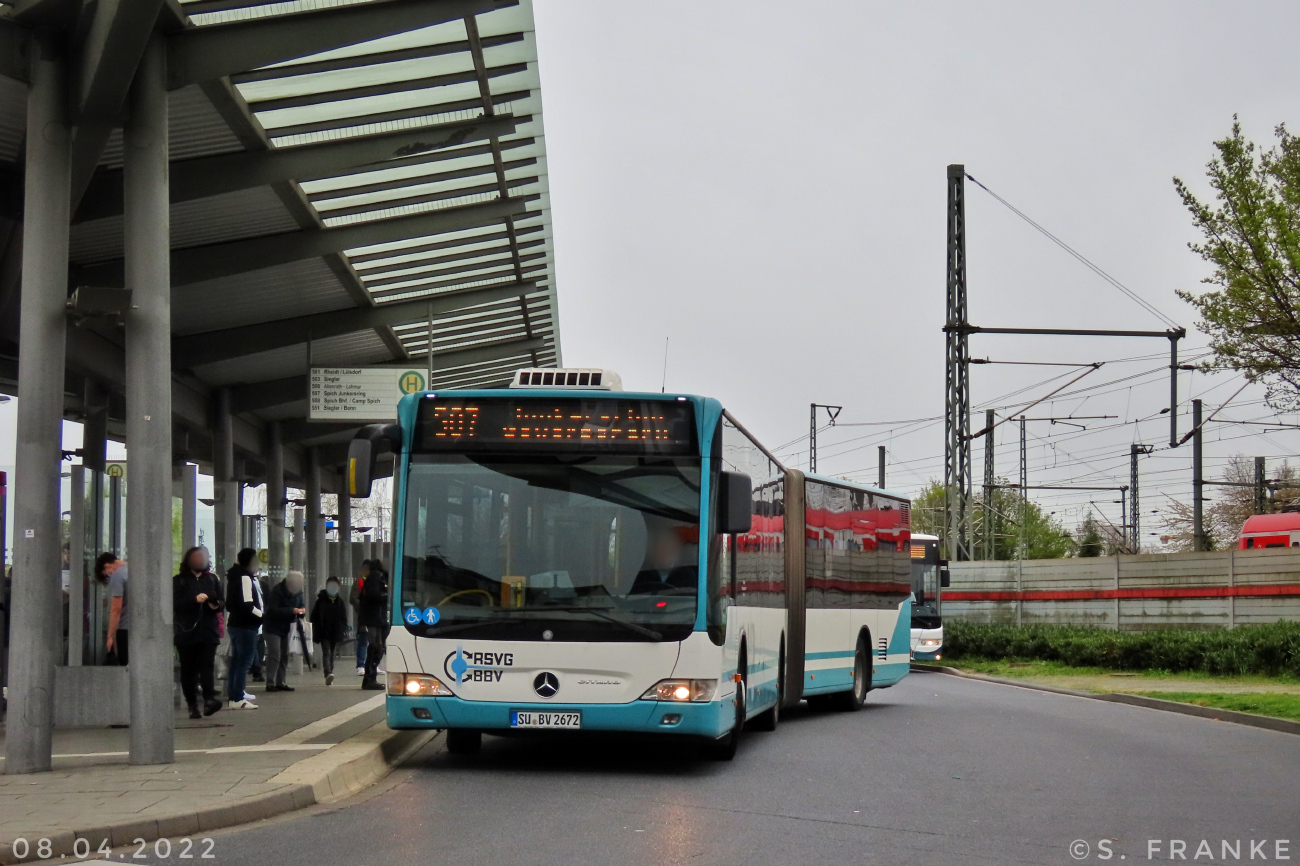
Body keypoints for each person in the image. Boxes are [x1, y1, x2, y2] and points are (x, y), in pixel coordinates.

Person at [173, 546, 225, 719]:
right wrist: (193, 600)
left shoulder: (211, 579)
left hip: (208, 631)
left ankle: (209, 698)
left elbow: (222, 601)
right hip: (187, 632)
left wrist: (215, 604)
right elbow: (175, 604)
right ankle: (192, 704)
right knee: (189, 670)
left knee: (207, 665)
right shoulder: (179, 581)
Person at [224, 548, 263, 710]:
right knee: (244, 662)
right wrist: (261, 615)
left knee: (236, 661)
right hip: (246, 625)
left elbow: (229, 604)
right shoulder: (245, 578)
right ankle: (238, 697)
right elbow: (248, 605)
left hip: (234, 624)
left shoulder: (233, 577)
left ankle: (234, 696)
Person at [264, 570, 305, 692]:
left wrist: (301, 611)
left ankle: (281, 681)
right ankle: (270, 682)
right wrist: (291, 610)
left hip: (287, 628)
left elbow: (301, 605)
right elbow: (272, 610)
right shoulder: (277, 591)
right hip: (272, 627)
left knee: (285, 655)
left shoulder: (298, 593)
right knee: (275, 654)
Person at [629, 522, 698, 594]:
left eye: (667, 547)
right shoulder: (644, 575)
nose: (663, 552)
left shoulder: (687, 575)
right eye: (660, 547)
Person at [358, 560, 390, 690]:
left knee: (376, 647)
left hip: (375, 618)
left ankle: (370, 677)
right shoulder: (377, 577)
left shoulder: (374, 577)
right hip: (376, 618)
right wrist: (388, 596)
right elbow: (374, 595)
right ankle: (370, 678)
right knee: (376, 647)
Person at [311, 577, 348, 686]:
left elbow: (343, 617)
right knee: (327, 652)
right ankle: (328, 673)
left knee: (332, 653)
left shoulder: (340, 601)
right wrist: (318, 628)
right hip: (324, 632)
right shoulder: (321, 601)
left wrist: (342, 629)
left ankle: (330, 672)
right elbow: (314, 616)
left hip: (335, 632)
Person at [95, 552, 129, 665]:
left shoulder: (117, 575)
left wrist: (110, 636)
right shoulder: (133, 569)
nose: (109, 578)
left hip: (125, 627)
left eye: (106, 575)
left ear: (107, 566)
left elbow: (116, 608)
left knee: (125, 664)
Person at [349, 559, 371, 675]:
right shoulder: (359, 583)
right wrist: (363, 608)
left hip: (375, 617)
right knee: (363, 640)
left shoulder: (374, 583)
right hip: (364, 617)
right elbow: (352, 598)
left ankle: (371, 664)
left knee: (374, 641)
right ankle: (361, 665)